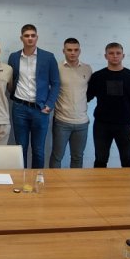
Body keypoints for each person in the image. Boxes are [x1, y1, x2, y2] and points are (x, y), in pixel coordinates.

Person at [86, 42, 130, 168]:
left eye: (118, 53)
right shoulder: (97, 77)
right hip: (101, 126)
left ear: (123, 55)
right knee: (100, 161)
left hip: (126, 126)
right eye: (111, 53)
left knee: (128, 162)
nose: (115, 56)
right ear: (105, 56)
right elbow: (85, 98)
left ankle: (129, 183)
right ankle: (99, 182)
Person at [7, 24, 60, 169]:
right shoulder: (14, 57)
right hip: (20, 108)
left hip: (40, 109)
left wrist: (49, 104)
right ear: (21, 38)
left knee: (38, 150)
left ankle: (38, 178)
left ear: (37, 37)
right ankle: (22, 178)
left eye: (33, 35)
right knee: (20, 149)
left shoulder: (48, 57)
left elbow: (56, 83)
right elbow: (12, 79)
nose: (30, 38)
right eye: (26, 36)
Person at [49, 38, 92, 168]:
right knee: (57, 156)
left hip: (82, 122)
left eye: (75, 50)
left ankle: (75, 181)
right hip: (62, 121)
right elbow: (50, 91)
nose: (73, 53)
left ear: (80, 51)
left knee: (77, 157)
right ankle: (53, 181)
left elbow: (89, 92)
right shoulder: (56, 68)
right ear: (63, 51)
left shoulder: (87, 69)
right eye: (69, 50)